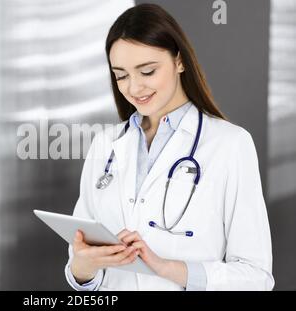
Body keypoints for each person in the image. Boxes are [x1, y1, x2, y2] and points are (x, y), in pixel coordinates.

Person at [64, 3, 274, 291]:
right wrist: (82, 269)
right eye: (121, 75)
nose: (134, 88)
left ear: (179, 61)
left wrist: (168, 269)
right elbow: (81, 264)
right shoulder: (105, 144)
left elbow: (256, 277)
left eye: (147, 71)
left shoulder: (230, 145)